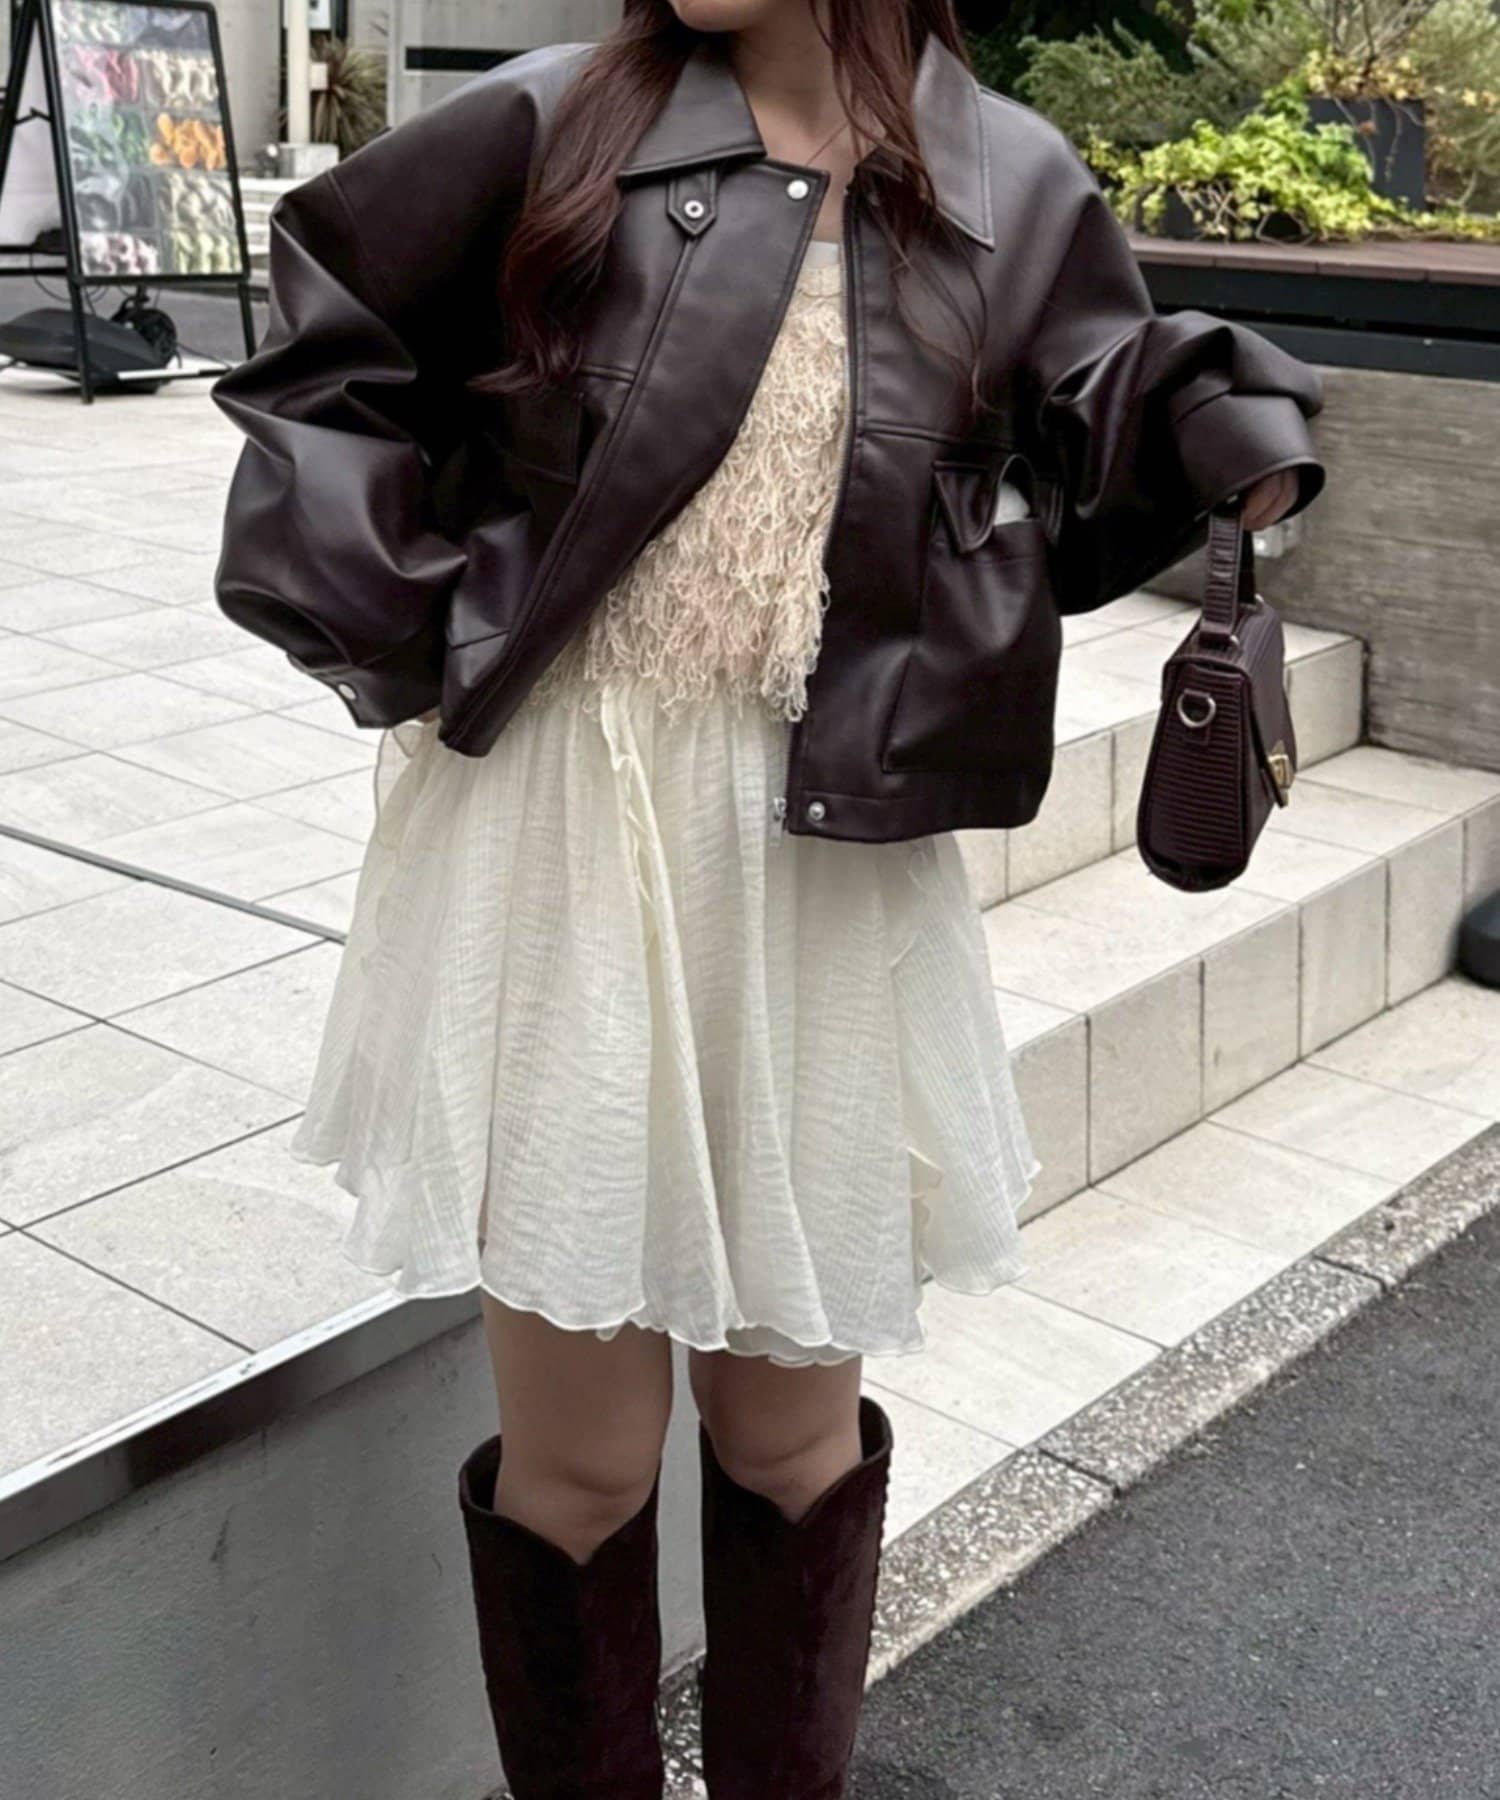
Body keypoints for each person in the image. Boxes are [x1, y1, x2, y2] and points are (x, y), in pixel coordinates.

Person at [210, 1, 1323, 1793]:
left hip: (829, 864)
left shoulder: (1005, 177)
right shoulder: (553, 124)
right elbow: (327, 358)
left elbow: (1086, 433)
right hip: (573, 841)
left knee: (794, 1441)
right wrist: (426, 621)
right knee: (582, 1463)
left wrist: (1218, 422)